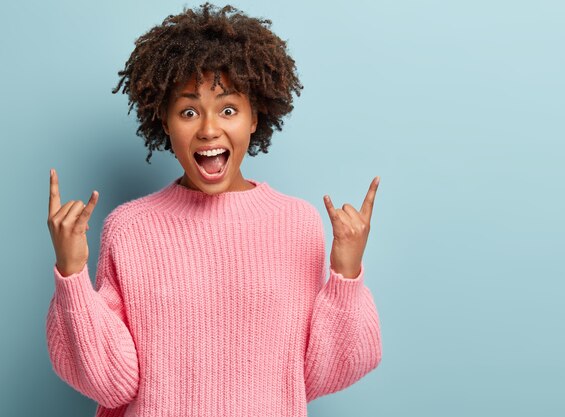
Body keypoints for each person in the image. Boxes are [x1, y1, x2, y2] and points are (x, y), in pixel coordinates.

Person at [45, 3, 382, 416]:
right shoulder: (129, 228)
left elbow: (312, 376)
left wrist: (346, 275)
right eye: (188, 111)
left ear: (254, 117)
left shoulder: (297, 224)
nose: (208, 128)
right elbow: (112, 384)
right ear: (164, 122)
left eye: (228, 109)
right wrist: (72, 273)